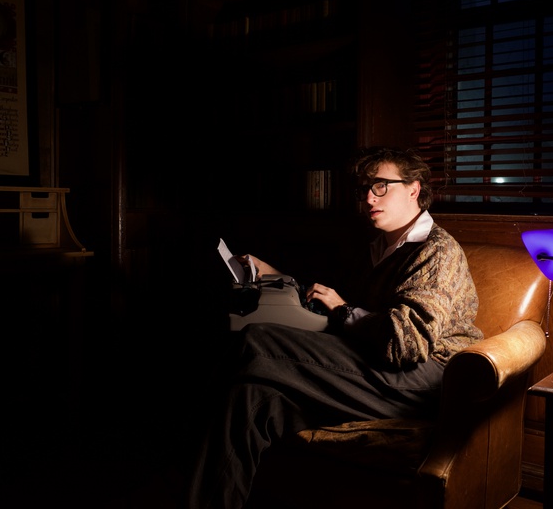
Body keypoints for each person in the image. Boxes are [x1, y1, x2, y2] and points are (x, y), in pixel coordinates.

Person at [189, 147, 482, 509]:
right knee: (251, 399)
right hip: (371, 366)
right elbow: (333, 306)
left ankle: (183, 424)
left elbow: (406, 344)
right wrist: (276, 276)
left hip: (425, 377)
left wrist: (343, 310)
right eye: (364, 189)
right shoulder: (376, 248)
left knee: (256, 340)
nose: (368, 198)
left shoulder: (436, 251)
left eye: (380, 186)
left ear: (413, 189)